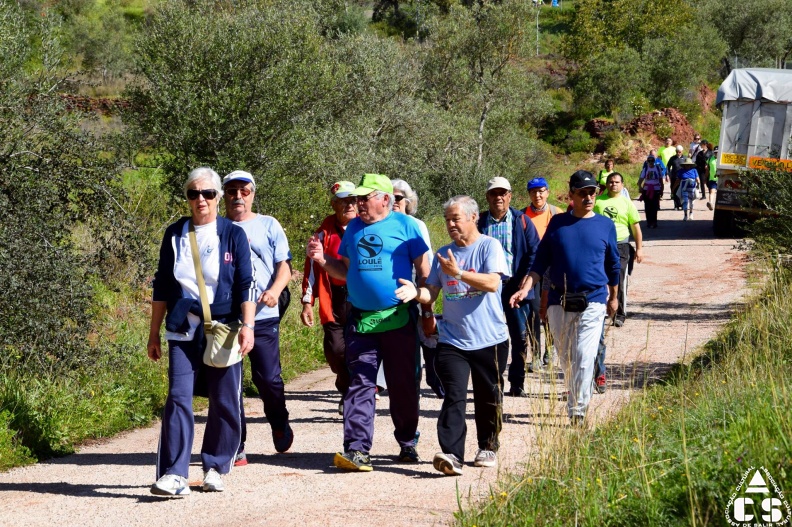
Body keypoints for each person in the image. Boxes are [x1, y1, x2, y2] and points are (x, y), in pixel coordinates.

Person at [306, 173, 429, 472]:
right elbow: (344, 271)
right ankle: (357, 449)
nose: (358, 203)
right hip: (361, 321)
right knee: (360, 384)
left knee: (403, 386)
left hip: (399, 320)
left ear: (385, 199)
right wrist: (323, 261)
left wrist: (423, 303)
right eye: (358, 198)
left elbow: (425, 271)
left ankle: (407, 441)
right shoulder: (354, 230)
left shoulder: (407, 226)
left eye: (365, 197)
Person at [148, 167, 256, 496]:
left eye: (208, 194)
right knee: (178, 399)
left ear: (218, 198)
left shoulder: (232, 234)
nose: (201, 200)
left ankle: (215, 465)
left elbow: (245, 284)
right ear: (188, 198)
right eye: (193, 194)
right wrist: (153, 332)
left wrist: (248, 326)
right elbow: (162, 285)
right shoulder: (175, 234)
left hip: (225, 329)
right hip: (183, 327)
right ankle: (174, 474)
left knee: (224, 401)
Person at [394, 196, 509, 476]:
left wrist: (458, 272)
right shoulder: (443, 253)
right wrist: (416, 294)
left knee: (488, 395)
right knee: (454, 395)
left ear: (473, 218)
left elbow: (493, 282)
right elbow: (431, 291)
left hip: (490, 338)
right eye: (447, 219)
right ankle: (451, 455)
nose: (450, 224)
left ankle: (487, 445)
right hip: (453, 339)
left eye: (456, 218)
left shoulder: (489, 246)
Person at [509, 170, 619, 426]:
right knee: (567, 357)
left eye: (592, 192)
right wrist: (526, 288)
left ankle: (577, 411)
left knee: (584, 355)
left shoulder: (605, 224)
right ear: (571, 195)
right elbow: (541, 260)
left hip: (592, 300)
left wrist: (614, 298)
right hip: (560, 300)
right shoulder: (558, 224)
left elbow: (613, 265)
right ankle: (576, 392)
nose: (589, 197)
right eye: (583, 192)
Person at [223, 170, 294, 465]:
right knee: (230, 383)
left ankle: (278, 420)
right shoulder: (215, 227)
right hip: (227, 316)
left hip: (264, 313)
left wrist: (276, 290)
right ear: (224, 195)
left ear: (253, 194)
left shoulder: (268, 225)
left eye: (245, 191)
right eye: (232, 191)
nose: (239, 196)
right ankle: (236, 444)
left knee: (267, 379)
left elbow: (285, 266)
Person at [477, 177, 540, 398]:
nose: (499, 197)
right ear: (488, 197)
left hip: (515, 285)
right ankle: (493, 381)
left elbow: (535, 251)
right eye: (494, 193)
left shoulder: (521, 220)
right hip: (488, 287)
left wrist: (525, 279)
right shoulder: (480, 222)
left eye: (503, 193)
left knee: (519, 335)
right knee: (487, 335)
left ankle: (517, 382)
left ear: (510, 196)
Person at [301, 181, 357, 416]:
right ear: (334, 204)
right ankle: (346, 387)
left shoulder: (366, 228)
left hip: (359, 297)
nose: (349, 205)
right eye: (343, 201)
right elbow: (312, 267)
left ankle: (354, 395)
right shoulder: (323, 232)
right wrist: (307, 301)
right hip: (333, 297)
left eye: (352, 200)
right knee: (336, 350)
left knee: (359, 348)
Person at [391, 178, 442, 399]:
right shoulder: (382, 225)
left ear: (407, 201)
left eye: (398, 198)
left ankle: (434, 376)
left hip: (418, 289)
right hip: (395, 293)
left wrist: (427, 303)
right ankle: (410, 385)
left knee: (427, 334)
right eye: (389, 197)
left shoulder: (416, 225)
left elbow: (426, 265)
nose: (394, 202)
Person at [593, 171, 643, 331]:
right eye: (610, 182)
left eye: (616, 182)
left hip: (621, 245)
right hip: (600, 245)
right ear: (606, 184)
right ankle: (599, 310)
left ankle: (619, 314)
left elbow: (635, 227)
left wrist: (639, 248)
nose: (613, 184)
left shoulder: (627, 203)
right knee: (598, 277)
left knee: (619, 278)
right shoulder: (598, 201)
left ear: (622, 185)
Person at [522, 177, 561, 370]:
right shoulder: (522, 215)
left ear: (547, 192)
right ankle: (536, 354)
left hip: (552, 269)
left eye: (541, 191)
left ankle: (550, 349)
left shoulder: (557, 214)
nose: (538, 195)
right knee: (534, 312)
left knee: (550, 311)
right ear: (529, 194)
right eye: (533, 191)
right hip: (531, 269)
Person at [638, 155, 665, 229]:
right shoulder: (645, 169)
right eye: (649, 161)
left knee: (654, 206)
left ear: (654, 161)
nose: (650, 162)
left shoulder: (657, 168)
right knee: (647, 206)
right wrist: (640, 186)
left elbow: (660, 180)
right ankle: (649, 222)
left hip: (656, 189)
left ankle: (654, 222)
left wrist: (662, 189)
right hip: (647, 189)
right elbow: (641, 179)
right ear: (647, 161)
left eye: (652, 160)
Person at [666, 145, 685, 210]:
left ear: (682, 151)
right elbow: (668, 166)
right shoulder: (672, 158)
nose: (678, 153)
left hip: (683, 177)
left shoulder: (685, 158)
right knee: (674, 191)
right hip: (674, 177)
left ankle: (682, 204)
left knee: (682, 191)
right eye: (677, 151)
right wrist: (668, 174)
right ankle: (676, 205)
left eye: (679, 152)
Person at [707, 146, 718, 210]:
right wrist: (706, 178)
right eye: (715, 152)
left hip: (720, 179)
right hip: (712, 178)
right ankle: (710, 203)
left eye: (717, 152)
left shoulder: (722, 159)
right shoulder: (710, 159)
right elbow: (707, 168)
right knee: (712, 191)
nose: (716, 154)